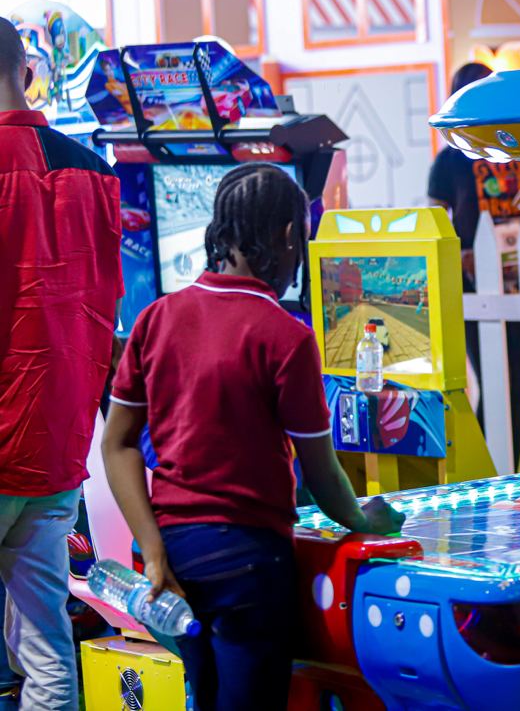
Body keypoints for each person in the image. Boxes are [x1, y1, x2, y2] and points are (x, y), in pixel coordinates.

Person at [102, 164, 403, 711]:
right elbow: (321, 474)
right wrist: (365, 520)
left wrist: (153, 550)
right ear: (289, 237)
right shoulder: (285, 336)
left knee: (206, 696)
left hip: (173, 556)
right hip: (249, 562)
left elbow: (118, 444)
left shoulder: (155, 319)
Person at [0, 17, 123, 711]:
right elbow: (105, 310)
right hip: (56, 449)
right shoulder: (96, 173)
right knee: (47, 646)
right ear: (27, 72)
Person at [428, 62, 520, 465]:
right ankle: (485, 469)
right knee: (494, 383)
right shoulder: (448, 162)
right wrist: (462, 257)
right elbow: (436, 223)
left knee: (517, 384)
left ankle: (506, 470)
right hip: (472, 288)